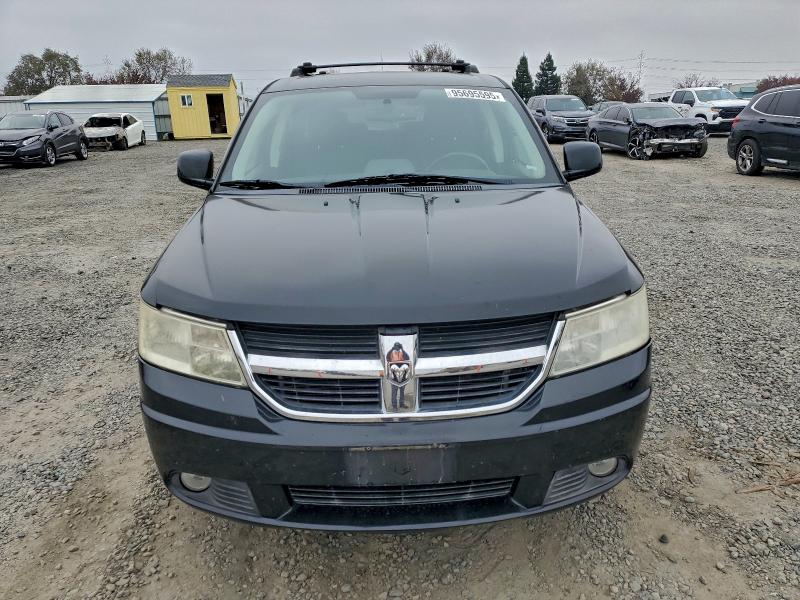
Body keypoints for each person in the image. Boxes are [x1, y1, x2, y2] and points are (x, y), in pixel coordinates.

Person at [386, 342, 411, 410]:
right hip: (394, 375)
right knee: (394, 392)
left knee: (402, 391)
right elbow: (387, 358)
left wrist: (402, 349)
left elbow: (407, 358)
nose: (397, 348)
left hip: (402, 375)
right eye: (396, 346)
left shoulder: (402, 352)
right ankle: (394, 406)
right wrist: (392, 349)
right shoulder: (391, 353)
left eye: (398, 346)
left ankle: (401, 404)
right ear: (393, 346)